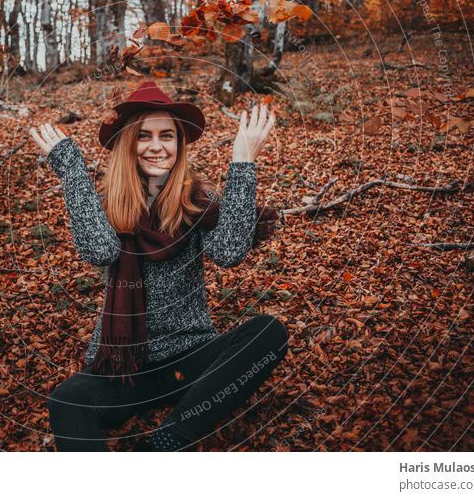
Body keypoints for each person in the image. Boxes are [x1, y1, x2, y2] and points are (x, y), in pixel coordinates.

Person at [28, 80, 288, 452]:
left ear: (179, 144)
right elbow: (100, 251)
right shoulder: (106, 206)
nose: (155, 146)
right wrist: (71, 168)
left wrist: (243, 160)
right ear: (128, 145)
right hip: (125, 366)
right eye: (144, 136)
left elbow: (229, 253)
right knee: (66, 402)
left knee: (268, 333)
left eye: (167, 135)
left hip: (189, 358)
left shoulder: (198, 203)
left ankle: (167, 441)